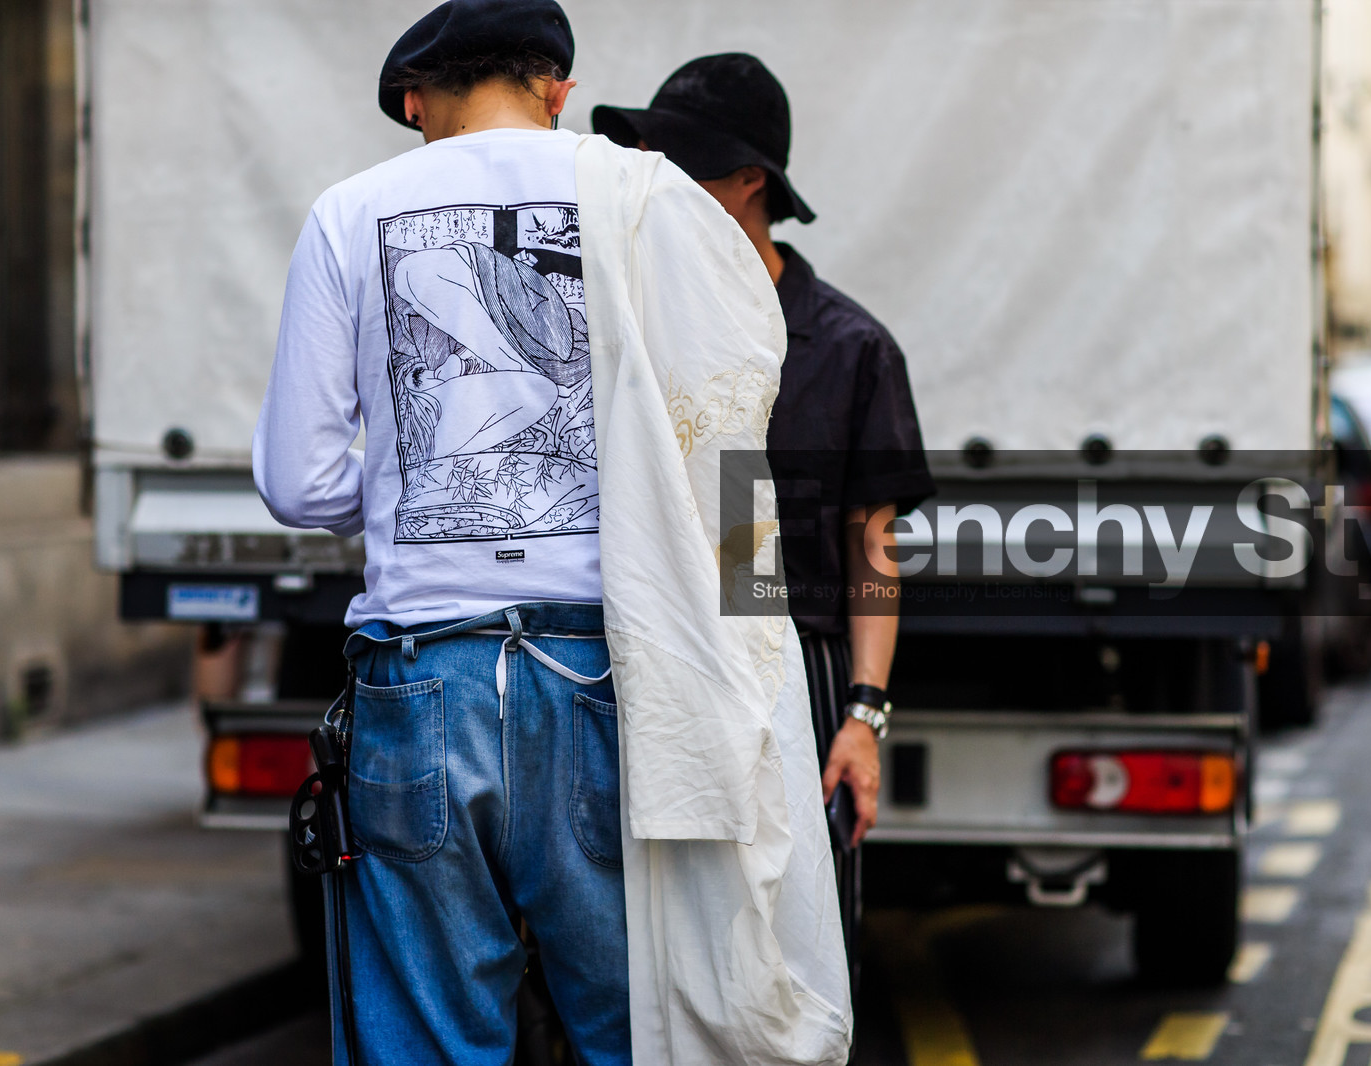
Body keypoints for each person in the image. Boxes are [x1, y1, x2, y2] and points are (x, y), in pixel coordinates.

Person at [255, 5, 851, 1064]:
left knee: (426, 1038)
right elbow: (728, 444)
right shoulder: (649, 196)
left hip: (420, 680)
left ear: (413, 102)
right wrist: (758, 674)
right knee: (636, 1026)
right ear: (558, 89)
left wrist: (409, 491)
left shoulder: (349, 213)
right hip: (611, 677)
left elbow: (297, 483)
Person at [594, 53, 936, 986]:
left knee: (795, 959)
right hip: (648, 668)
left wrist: (862, 715)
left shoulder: (846, 346)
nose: (658, 183)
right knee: (659, 963)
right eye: (648, 159)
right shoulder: (629, 323)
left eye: (683, 161)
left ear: (753, 182)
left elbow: (871, 547)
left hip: (799, 673)